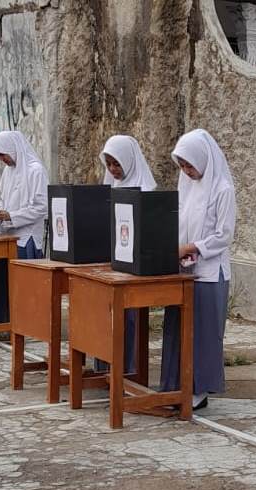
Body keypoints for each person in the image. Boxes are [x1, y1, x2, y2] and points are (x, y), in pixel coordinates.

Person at [160, 129, 236, 410]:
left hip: (209, 271)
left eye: (189, 165)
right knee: (177, 330)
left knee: (202, 334)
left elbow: (223, 235)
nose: (186, 171)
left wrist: (193, 247)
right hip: (183, 270)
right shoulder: (186, 185)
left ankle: (198, 391)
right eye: (182, 166)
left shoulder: (222, 189)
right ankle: (174, 385)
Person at [96, 135, 159, 374]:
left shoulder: (146, 189)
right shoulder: (112, 187)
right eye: (109, 164)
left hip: (132, 267)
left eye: (117, 164)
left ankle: (127, 370)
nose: (113, 169)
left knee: (128, 319)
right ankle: (104, 367)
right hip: (111, 263)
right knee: (104, 315)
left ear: (129, 161)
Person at [0, 131, 49, 324]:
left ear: (13, 149)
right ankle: (1, 323)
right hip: (6, 234)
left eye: (3, 154)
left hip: (25, 236)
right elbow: (3, 200)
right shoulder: (9, 171)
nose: (2, 159)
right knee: (1, 282)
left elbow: (42, 207)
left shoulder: (35, 171)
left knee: (23, 284)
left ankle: (27, 324)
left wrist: (12, 216)